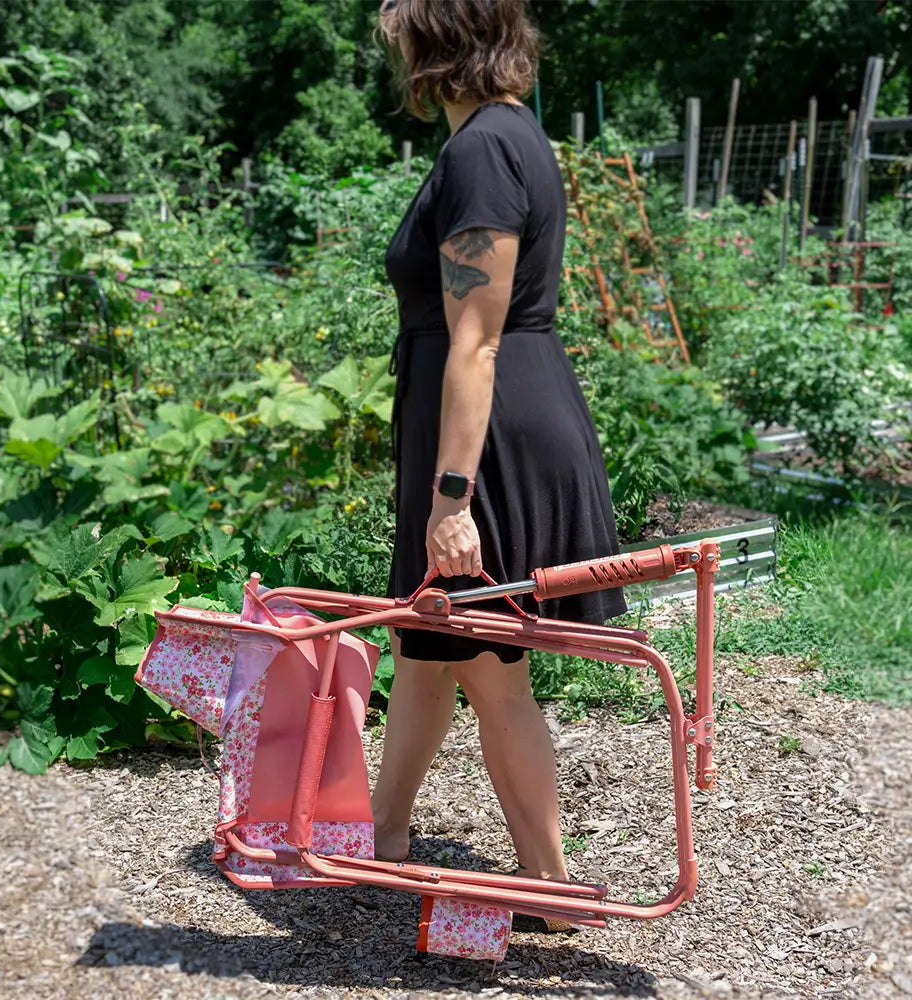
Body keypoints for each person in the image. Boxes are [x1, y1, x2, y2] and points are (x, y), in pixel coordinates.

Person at [372, 0, 627, 915]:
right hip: (489, 421)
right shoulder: (511, 133)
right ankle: (382, 835)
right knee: (427, 642)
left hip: (485, 441)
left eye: (404, 38)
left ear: (436, 46)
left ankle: (553, 889)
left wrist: (452, 497)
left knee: (486, 662)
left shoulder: (480, 149)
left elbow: (475, 340)